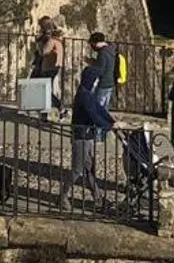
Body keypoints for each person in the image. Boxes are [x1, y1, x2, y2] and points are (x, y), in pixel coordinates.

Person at [66, 64, 114, 205]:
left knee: (89, 169)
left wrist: (111, 121)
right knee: (77, 170)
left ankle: (98, 199)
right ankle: (63, 196)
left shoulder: (87, 94)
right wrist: (108, 125)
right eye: (96, 80)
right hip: (81, 137)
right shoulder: (84, 96)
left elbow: (99, 109)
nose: (97, 82)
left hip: (86, 136)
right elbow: (94, 115)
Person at [31, 18, 65, 110]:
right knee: (41, 88)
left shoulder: (50, 39)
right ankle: (41, 109)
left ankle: (58, 107)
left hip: (47, 66)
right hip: (49, 66)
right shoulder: (56, 39)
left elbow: (43, 52)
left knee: (43, 90)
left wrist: (38, 43)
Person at [88, 31, 121, 111]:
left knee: (98, 107)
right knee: (104, 106)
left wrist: (92, 67)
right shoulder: (111, 49)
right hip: (111, 81)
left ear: (96, 43)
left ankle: (99, 123)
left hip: (103, 82)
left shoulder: (102, 53)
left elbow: (101, 69)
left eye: (92, 44)